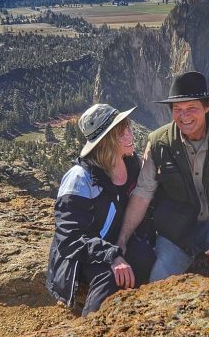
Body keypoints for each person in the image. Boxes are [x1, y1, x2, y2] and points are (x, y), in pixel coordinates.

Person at [117, 71, 209, 281]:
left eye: (191, 108)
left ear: (207, 107)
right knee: (158, 283)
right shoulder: (158, 144)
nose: (184, 116)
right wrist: (122, 240)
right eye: (177, 109)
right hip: (176, 232)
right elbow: (142, 195)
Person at [46, 103, 154, 317]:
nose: (131, 134)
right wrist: (111, 256)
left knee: (146, 258)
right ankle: (89, 330)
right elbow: (70, 238)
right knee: (109, 276)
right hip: (81, 256)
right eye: (123, 132)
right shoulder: (80, 178)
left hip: (115, 243)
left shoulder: (132, 165)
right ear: (109, 140)